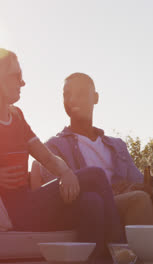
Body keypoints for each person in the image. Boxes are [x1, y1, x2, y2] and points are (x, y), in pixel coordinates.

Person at [30, 72, 153, 227]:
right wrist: (118, 190)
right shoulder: (54, 146)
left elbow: (139, 182)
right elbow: (64, 194)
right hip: (101, 207)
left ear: (95, 98)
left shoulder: (117, 145)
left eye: (80, 93)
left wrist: (142, 186)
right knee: (138, 200)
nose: (72, 100)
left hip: (133, 198)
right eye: (67, 95)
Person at [0, 49, 123, 259]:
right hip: (10, 213)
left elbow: (47, 157)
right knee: (95, 175)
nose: (23, 83)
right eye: (17, 76)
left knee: (91, 201)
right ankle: (120, 249)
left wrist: (65, 172)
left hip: (29, 204)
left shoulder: (17, 117)